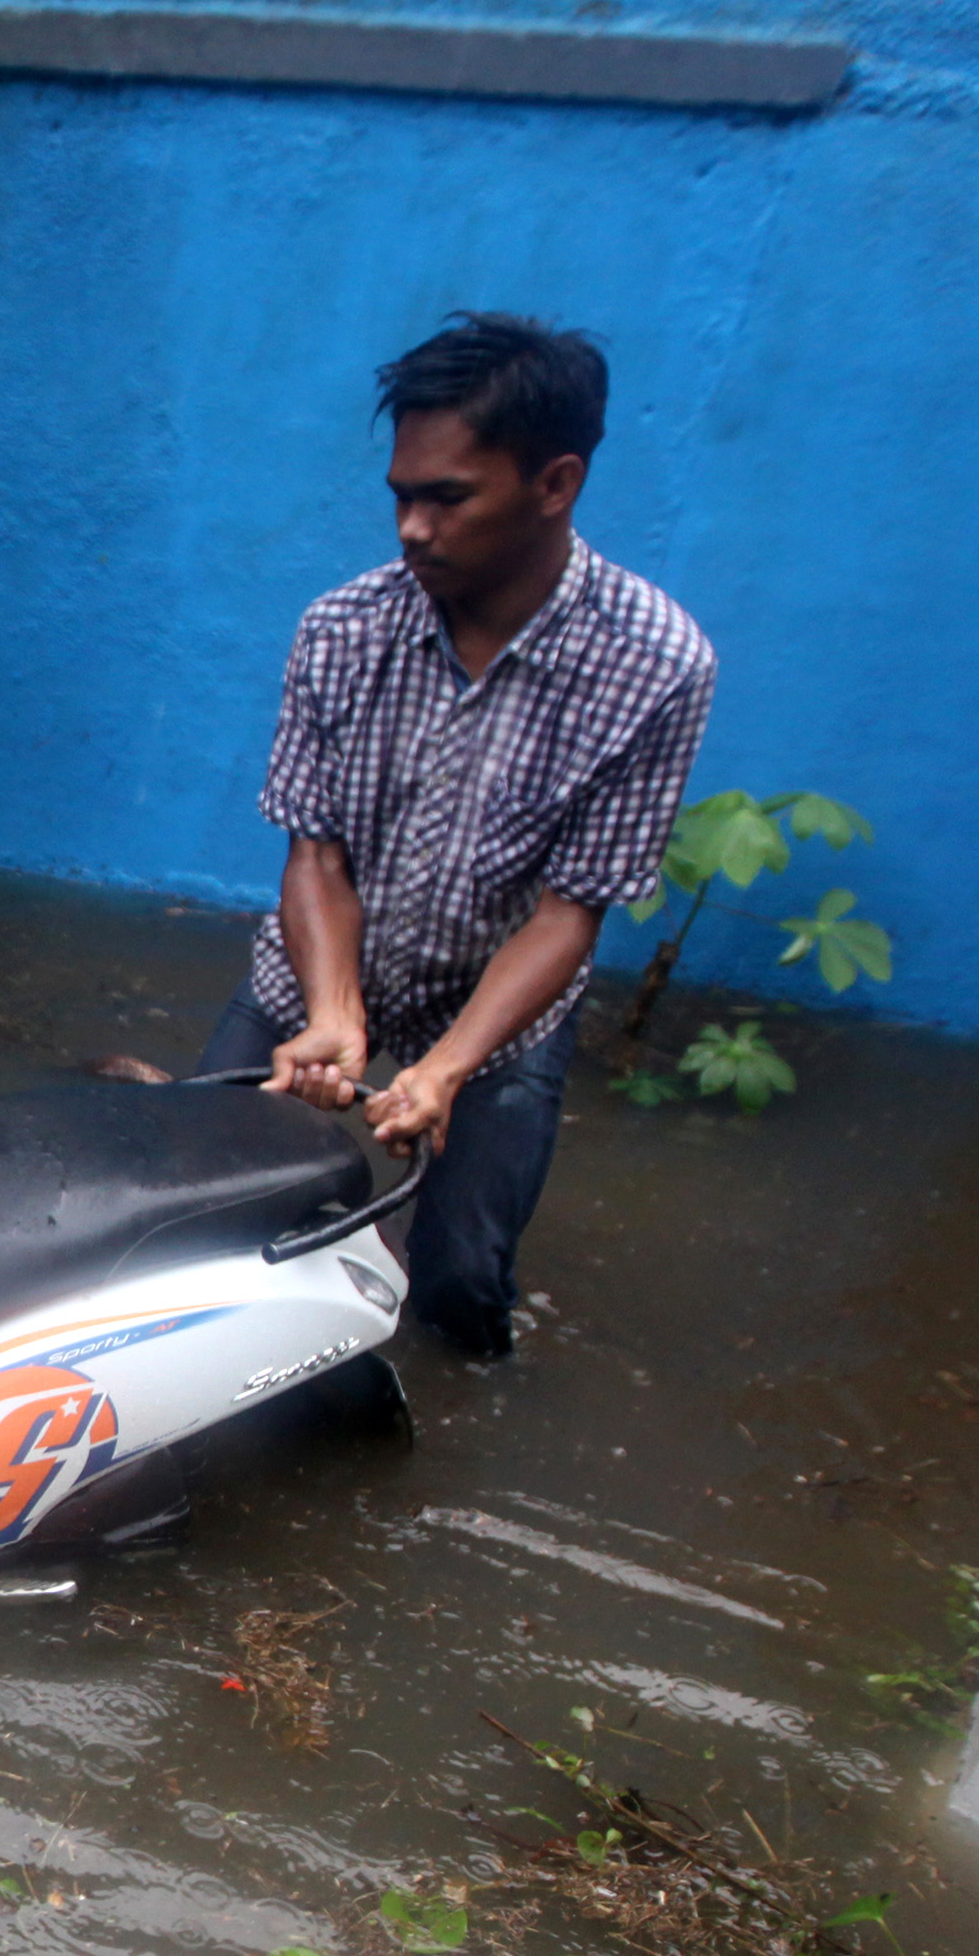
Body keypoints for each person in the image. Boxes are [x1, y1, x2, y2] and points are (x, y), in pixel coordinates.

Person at [194, 312, 714, 1356]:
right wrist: (334, 1010)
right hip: (319, 965)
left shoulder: (658, 666)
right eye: (400, 496)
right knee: (191, 1214)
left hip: (499, 1009)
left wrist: (443, 1071)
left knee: (460, 1294)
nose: (411, 529)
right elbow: (315, 853)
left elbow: (570, 914)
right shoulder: (342, 629)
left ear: (554, 484)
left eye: (447, 499)